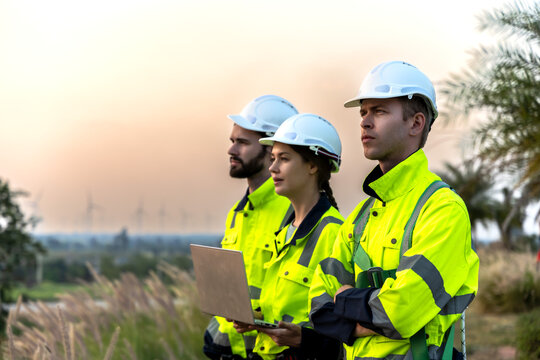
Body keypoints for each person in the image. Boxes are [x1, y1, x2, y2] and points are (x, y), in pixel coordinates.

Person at [309, 61, 480, 360]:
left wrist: (346, 302)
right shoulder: (359, 218)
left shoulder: (443, 209)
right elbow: (319, 310)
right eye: (364, 112)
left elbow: (401, 310)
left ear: (416, 123)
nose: (364, 122)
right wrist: (371, 311)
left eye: (379, 111)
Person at [233, 113, 344, 360]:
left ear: (313, 165)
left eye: (284, 159)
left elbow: (344, 329)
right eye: (272, 158)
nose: (272, 167)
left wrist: (305, 340)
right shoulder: (285, 232)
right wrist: (256, 320)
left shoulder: (335, 233)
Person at [203, 95, 298, 360]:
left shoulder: (294, 210)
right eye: (232, 141)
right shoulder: (238, 211)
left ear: (272, 148)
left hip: (266, 352)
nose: (231, 150)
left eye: (242, 143)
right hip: (227, 350)